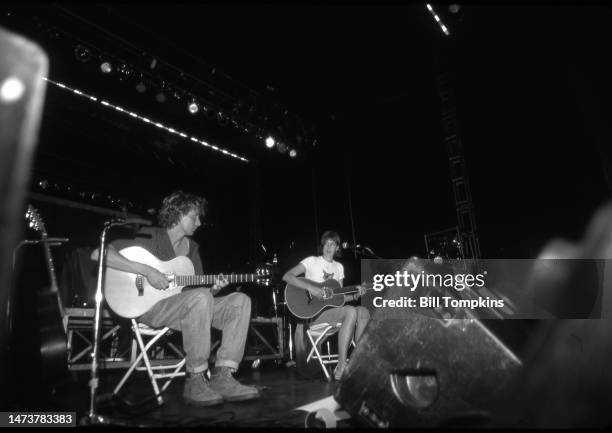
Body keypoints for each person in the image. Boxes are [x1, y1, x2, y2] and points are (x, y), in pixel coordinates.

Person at [91, 191, 259, 406]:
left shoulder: (193, 250)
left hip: (186, 309)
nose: (199, 222)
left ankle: (224, 376)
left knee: (240, 300)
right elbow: (99, 254)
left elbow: (198, 294)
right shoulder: (149, 235)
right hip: (150, 308)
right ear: (178, 214)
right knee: (199, 298)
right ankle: (195, 379)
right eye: (194, 216)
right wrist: (145, 270)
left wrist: (214, 290)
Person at [282, 230, 370, 380]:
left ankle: (358, 360)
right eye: (326, 243)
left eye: (333, 243)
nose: (329, 246)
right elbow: (287, 276)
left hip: (332, 313)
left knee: (363, 311)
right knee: (350, 312)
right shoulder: (312, 261)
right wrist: (311, 289)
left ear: (337, 248)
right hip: (313, 315)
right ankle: (341, 366)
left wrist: (356, 294)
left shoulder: (339, 267)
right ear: (322, 246)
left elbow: (339, 299)